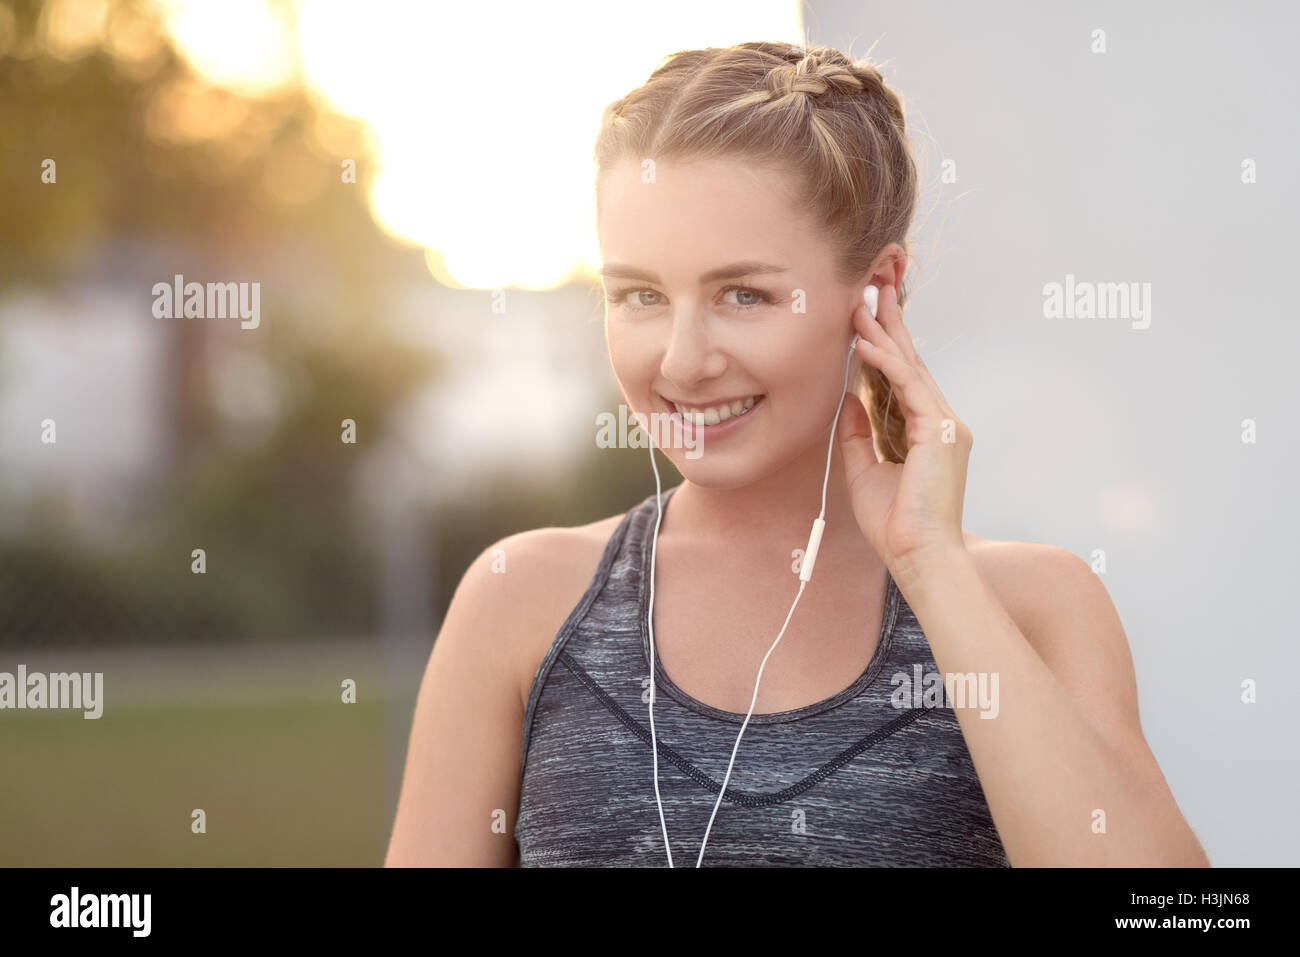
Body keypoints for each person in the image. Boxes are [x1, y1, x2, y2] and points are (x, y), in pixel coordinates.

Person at [385, 40, 1208, 867]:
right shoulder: (521, 601)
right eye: (640, 294)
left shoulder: (1034, 607)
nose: (679, 359)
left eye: (744, 294)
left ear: (878, 290)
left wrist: (933, 566)